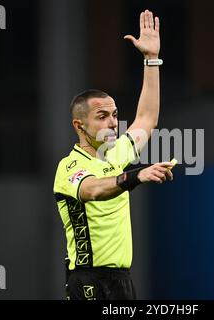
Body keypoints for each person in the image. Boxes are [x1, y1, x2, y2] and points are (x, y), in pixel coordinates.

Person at [53, 10, 173, 300]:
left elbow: (146, 118)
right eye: (102, 116)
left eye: (115, 115)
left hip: (122, 280)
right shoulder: (69, 166)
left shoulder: (115, 153)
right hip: (88, 280)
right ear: (79, 125)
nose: (111, 122)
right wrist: (137, 175)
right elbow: (94, 189)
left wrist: (151, 59)